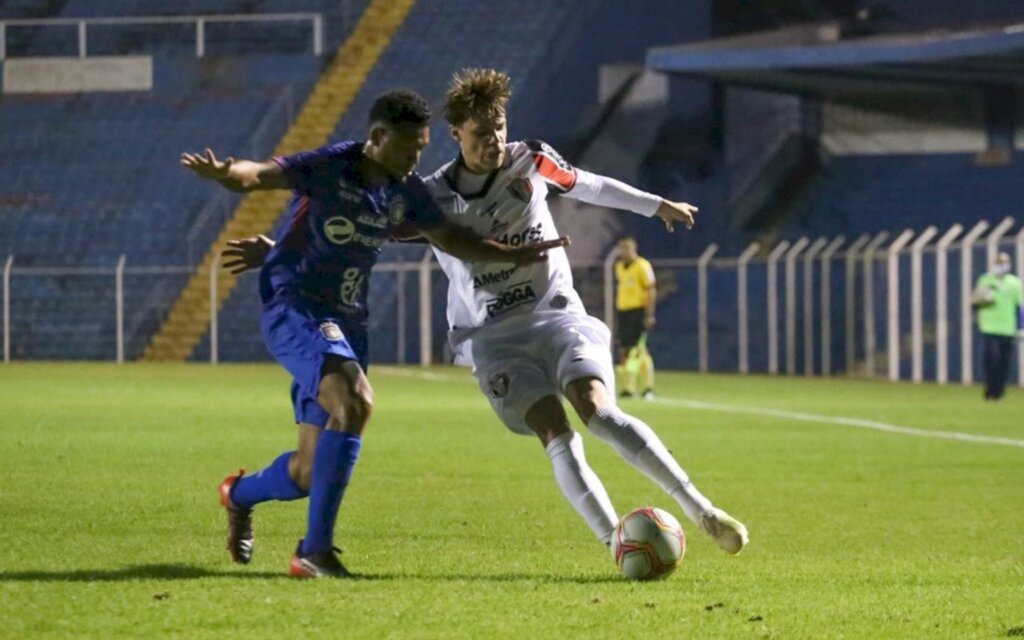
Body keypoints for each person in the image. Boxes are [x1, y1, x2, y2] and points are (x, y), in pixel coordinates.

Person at [226, 70, 748, 557]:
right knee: (555, 431)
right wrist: (276, 247)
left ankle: (700, 509)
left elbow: (588, 184)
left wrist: (656, 205)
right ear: (456, 134)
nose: (493, 140)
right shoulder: (429, 196)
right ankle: (616, 543)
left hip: (558, 317)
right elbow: (361, 227)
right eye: (480, 133)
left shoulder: (532, 160)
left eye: (499, 128)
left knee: (599, 410)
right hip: (492, 337)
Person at [182, 90, 565, 578]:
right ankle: (313, 552)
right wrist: (227, 174)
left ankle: (237, 495)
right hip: (296, 305)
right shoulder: (333, 165)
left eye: (422, 150)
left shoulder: (404, 191)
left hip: (347, 321)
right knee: (356, 401)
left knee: (306, 471)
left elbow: (453, 239)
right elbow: (260, 174)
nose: (415, 161)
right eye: (408, 149)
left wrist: (513, 253)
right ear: (378, 138)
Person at [972, 252, 1023, 400]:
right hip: (989, 327)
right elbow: (976, 302)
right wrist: (981, 300)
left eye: (1004, 263)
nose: (1002, 266)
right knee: (991, 360)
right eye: (999, 263)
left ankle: (999, 392)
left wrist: (1021, 327)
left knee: (1004, 363)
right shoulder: (985, 280)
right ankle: (990, 389)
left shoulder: (1015, 283)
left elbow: (1019, 307)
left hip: (1008, 329)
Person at [614, 237, 657, 400]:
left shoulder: (643, 266)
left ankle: (647, 387)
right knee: (625, 350)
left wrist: (649, 314)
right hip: (624, 312)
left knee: (638, 349)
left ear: (633, 249)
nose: (623, 252)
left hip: (638, 312)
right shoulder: (619, 267)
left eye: (626, 248)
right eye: (621, 248)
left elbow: (651, 290)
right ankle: (628, 387)